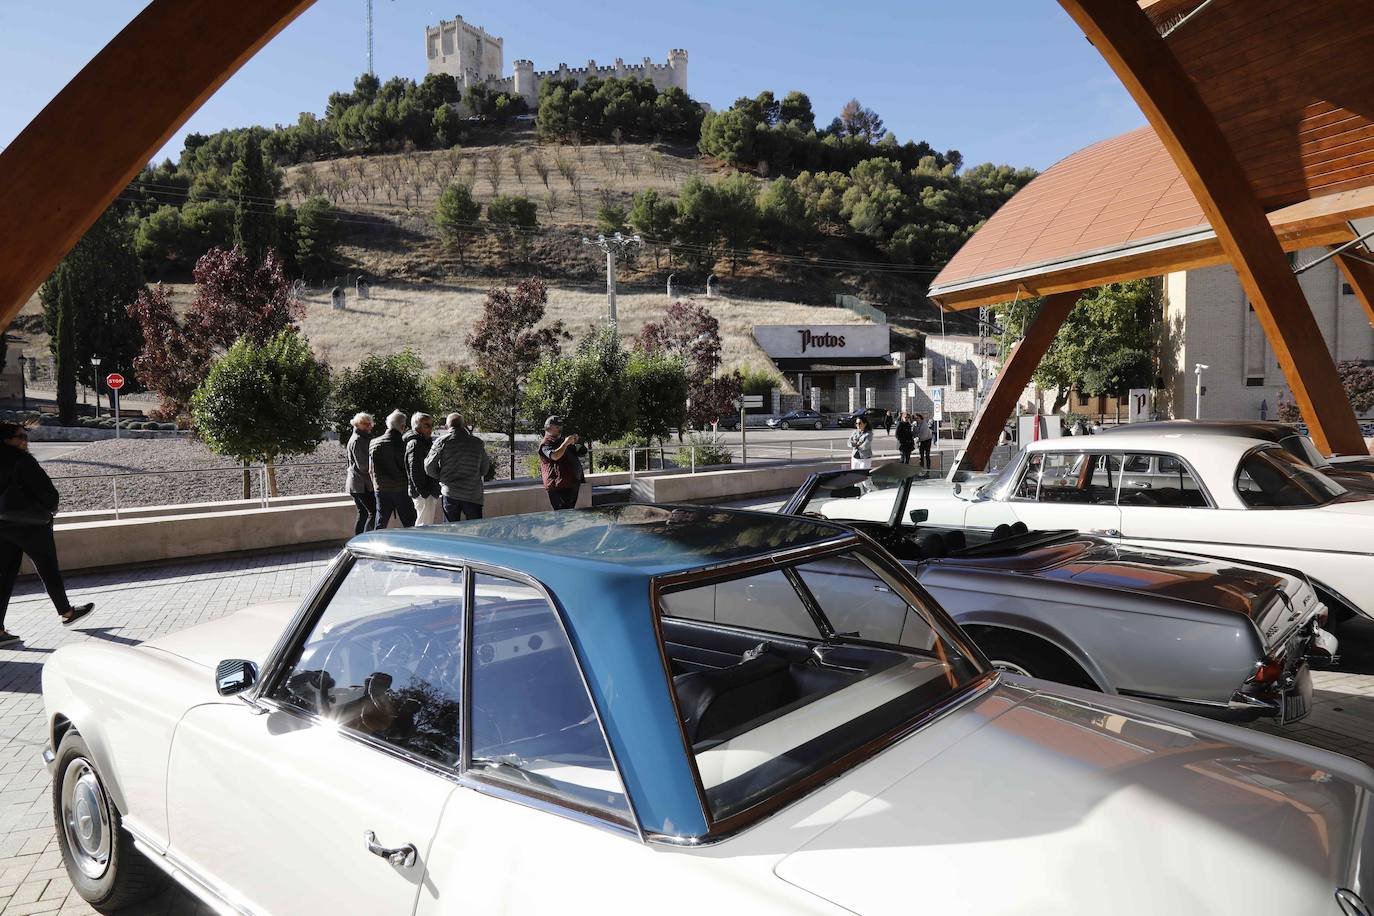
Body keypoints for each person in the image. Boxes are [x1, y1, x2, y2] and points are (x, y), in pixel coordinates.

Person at [0, 423, 94, 644]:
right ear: (7, 439)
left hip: (2, 527)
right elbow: (48, 493)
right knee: (48, 569)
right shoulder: (23, 460)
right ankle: (67, 612)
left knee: (3, 578)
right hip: (32, 526)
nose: (26, 440)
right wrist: (50, 509)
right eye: (21, 436)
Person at [424, 413, 493, 522]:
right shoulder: (477, 443)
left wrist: (442, 477)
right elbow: (484, 469)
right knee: (476, 530)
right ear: (463, 425)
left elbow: (428, 467)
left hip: (450, 493)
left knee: (452, 533)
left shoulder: (441, 442)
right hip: (473, 494)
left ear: (447, 427)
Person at [370, 410, 417, 529]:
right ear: (402, 426)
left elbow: (371, 469)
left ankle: (376, 544)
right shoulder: (404, 443)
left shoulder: (374, 443)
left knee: (380, 522)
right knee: (409, 522)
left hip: (381, 488)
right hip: (401, 488)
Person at [538, 416, 586, 510]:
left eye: (560, 427)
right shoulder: (545, 444)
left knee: (570, 513)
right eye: (557, 427)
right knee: (562, 516)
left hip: (572, 484)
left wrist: (577, 442)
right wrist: (565, 444)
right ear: (548, 427)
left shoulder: (562, 441)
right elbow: (555, 456)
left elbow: (582, 451)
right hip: (558, 487)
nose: (560, 429)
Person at [405, 412, 441, 525]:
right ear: (417, 426)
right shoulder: (415, 444)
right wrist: (425, 494)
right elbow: (415, 471)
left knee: (426, 524)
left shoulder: (424, 442)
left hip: (427, 491)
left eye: (431, 425)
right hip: (424, 494)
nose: (430, 428)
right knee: (424, 526)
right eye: (426, 425)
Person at [345, 412, 376, 535]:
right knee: (373, 512)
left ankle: (357, 540)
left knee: (363, 513)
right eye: (366, 424)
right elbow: (363, 466)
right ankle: (366, 540)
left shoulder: (360, 438)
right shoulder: (358, 440)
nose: (369, 426)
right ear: (358, 424)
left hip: (356, 484)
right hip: (360, 484)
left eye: (370, 423)